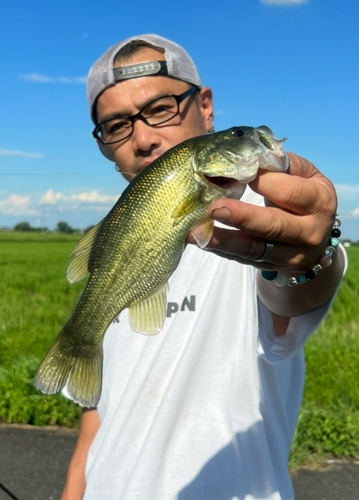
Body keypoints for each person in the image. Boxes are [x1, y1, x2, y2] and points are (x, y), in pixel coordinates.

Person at [61, 34, 346, 500]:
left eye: (160, 108)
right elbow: (101, 409)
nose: (143, 137)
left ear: (205, 106)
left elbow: (293, 291)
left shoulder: (261, 215)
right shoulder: (120, 238)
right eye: (116, 125)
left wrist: (310, 260)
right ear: (104, 147)